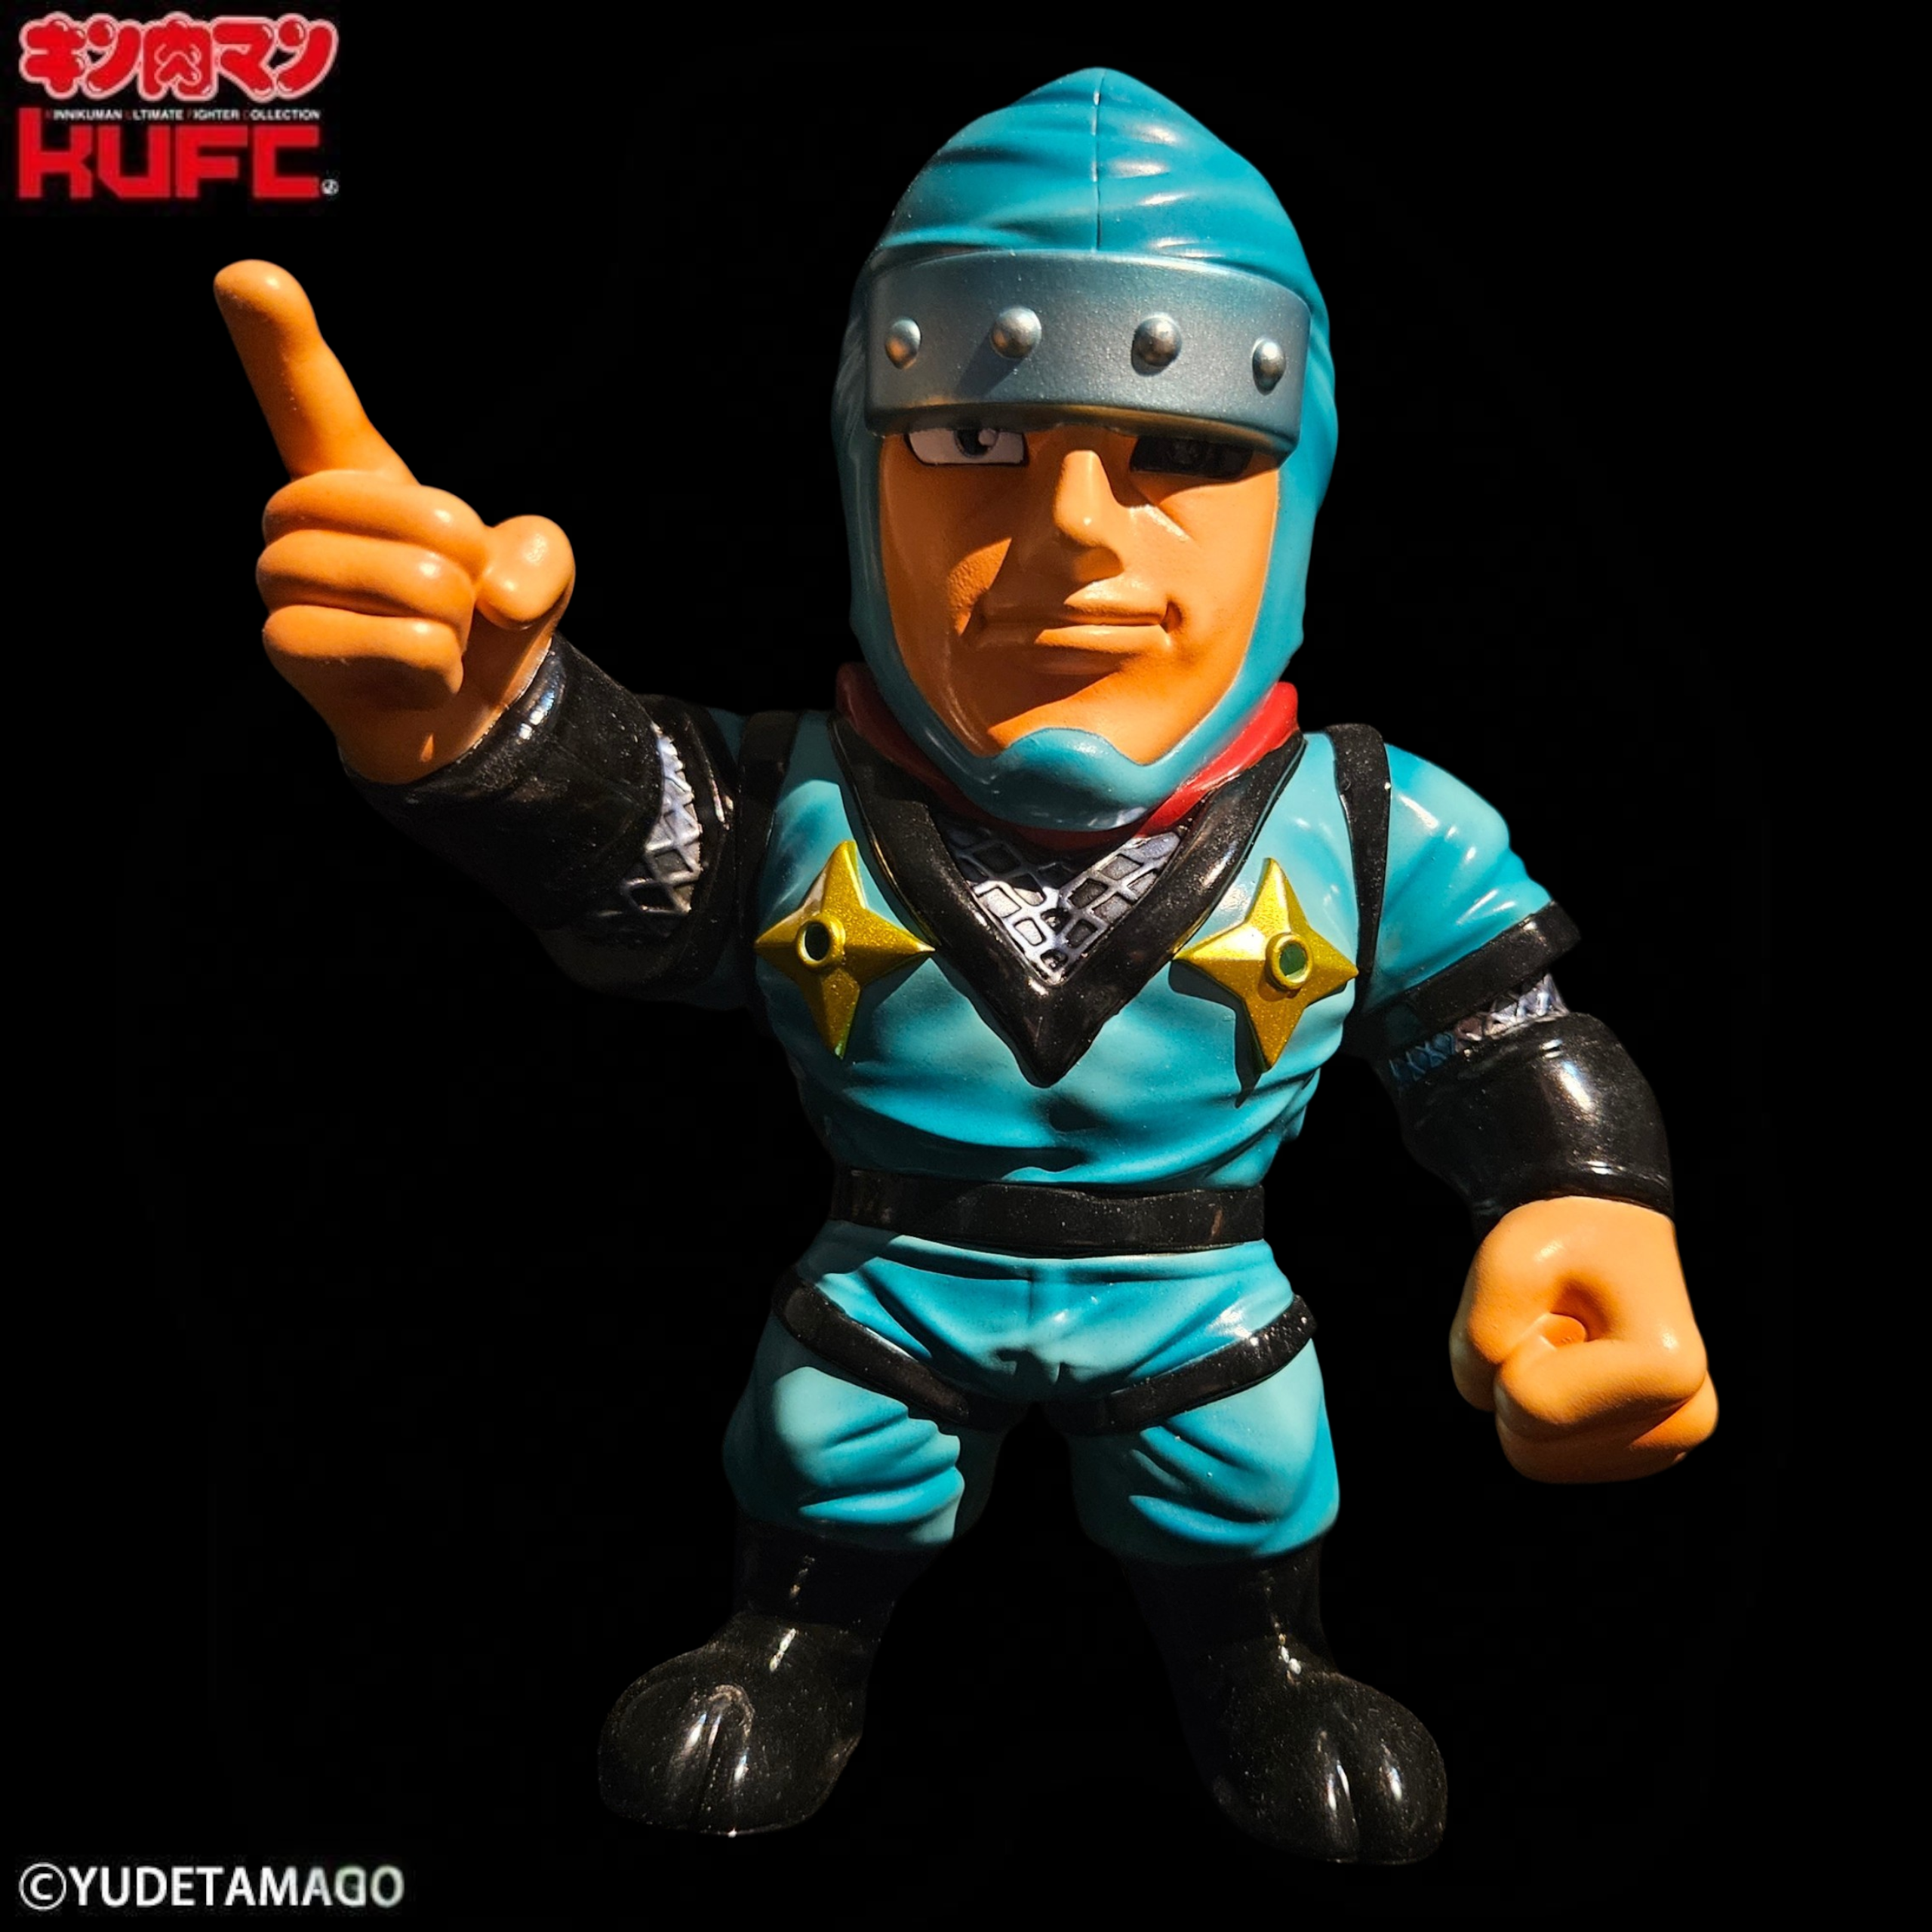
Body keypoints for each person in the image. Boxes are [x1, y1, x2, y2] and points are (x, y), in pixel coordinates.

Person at [214, 68, 1715, 1864]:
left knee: (1238, 1480)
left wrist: (1587, 1196)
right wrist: (483, 730)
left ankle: (1261, 1658)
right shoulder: (792, 805)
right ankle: (795, 1637)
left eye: (1183, 453)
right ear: (865, 478)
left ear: (1296, 489)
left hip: (1197, 1301)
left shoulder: (1376, 828)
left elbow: (1499, 1035)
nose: (1076, 528)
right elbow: (623, 847)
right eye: (976, 444)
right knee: (828, 1454)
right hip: (888, 1287)